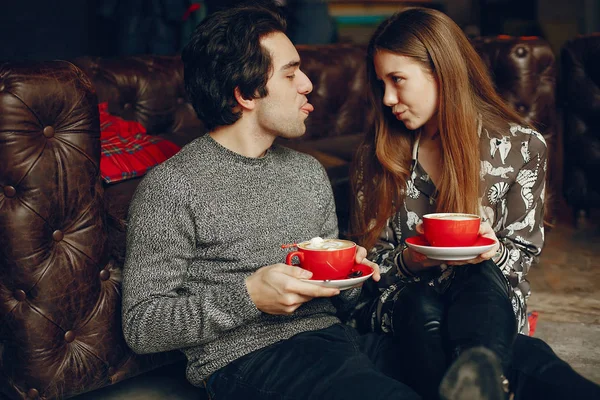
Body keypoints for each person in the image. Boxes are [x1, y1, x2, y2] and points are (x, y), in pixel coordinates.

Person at [121, 3, 421, 399]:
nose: (308, 84)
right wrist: (248, 297)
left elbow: (337, 300)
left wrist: (351, 276)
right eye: (292, 72)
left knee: (501, 362)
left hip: (338, 341)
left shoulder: (307, 172)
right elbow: (142, 326)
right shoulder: (173, 187)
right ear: (245, 93)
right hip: (249, 360)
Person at [350, 7, 600, 400]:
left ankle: (478, 368)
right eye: (381, 83)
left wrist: (491, 250)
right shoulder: (376, 154)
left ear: (442, 71)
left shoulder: (521, 146)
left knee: (478, 278)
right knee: (420, 302)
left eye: (398, 80)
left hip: (488, 300)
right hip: (404, 298)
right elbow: (364, 264)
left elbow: (521, 257)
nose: (388, 98)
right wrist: (409, 261)